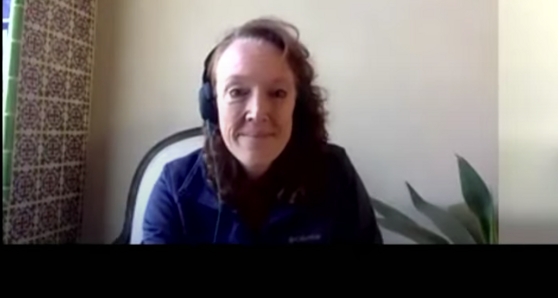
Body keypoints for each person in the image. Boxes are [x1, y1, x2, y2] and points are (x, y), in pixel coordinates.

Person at [142, 18, 382, 244]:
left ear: (297, 105)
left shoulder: (336, 175)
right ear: (212, 105)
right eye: (237, 92)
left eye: (278, 93)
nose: (257, 112)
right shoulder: (175, 187)